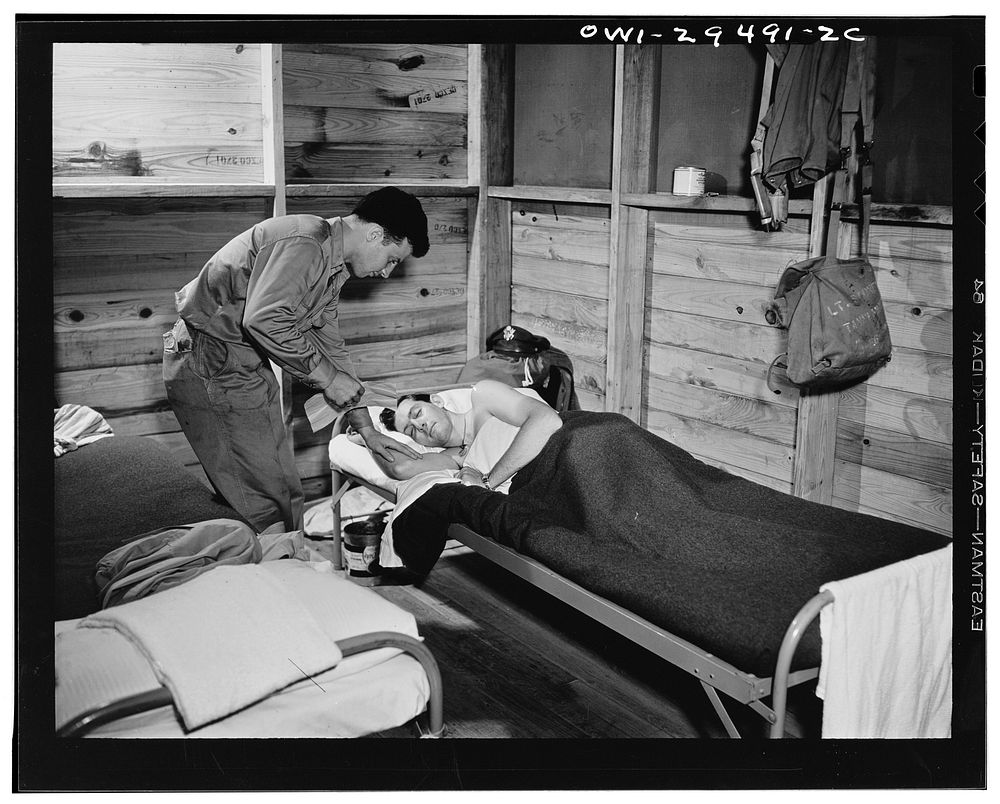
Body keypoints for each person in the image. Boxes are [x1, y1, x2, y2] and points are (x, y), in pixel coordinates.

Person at [163, 186, 429, 533]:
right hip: (210, 360)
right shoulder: (306, 241)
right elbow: (263, 318)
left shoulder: (332, 269)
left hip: (242, 364)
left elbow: (333, 350)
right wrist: (329, 380)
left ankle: (284, 570)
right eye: (392, 258)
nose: (387, 272)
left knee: (284, 487)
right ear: (375, 233)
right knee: (262, 495)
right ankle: (274, 576)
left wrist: (367, 431)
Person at [373, 379, 563, 490]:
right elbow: (401, 468)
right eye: (411, 431)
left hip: (571, 444)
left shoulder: (483, 397)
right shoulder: (455, 458)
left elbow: (546, 420)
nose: (420, 425)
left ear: (437, 401)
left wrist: (489, 481)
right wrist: (369, 437)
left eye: (417, 413)